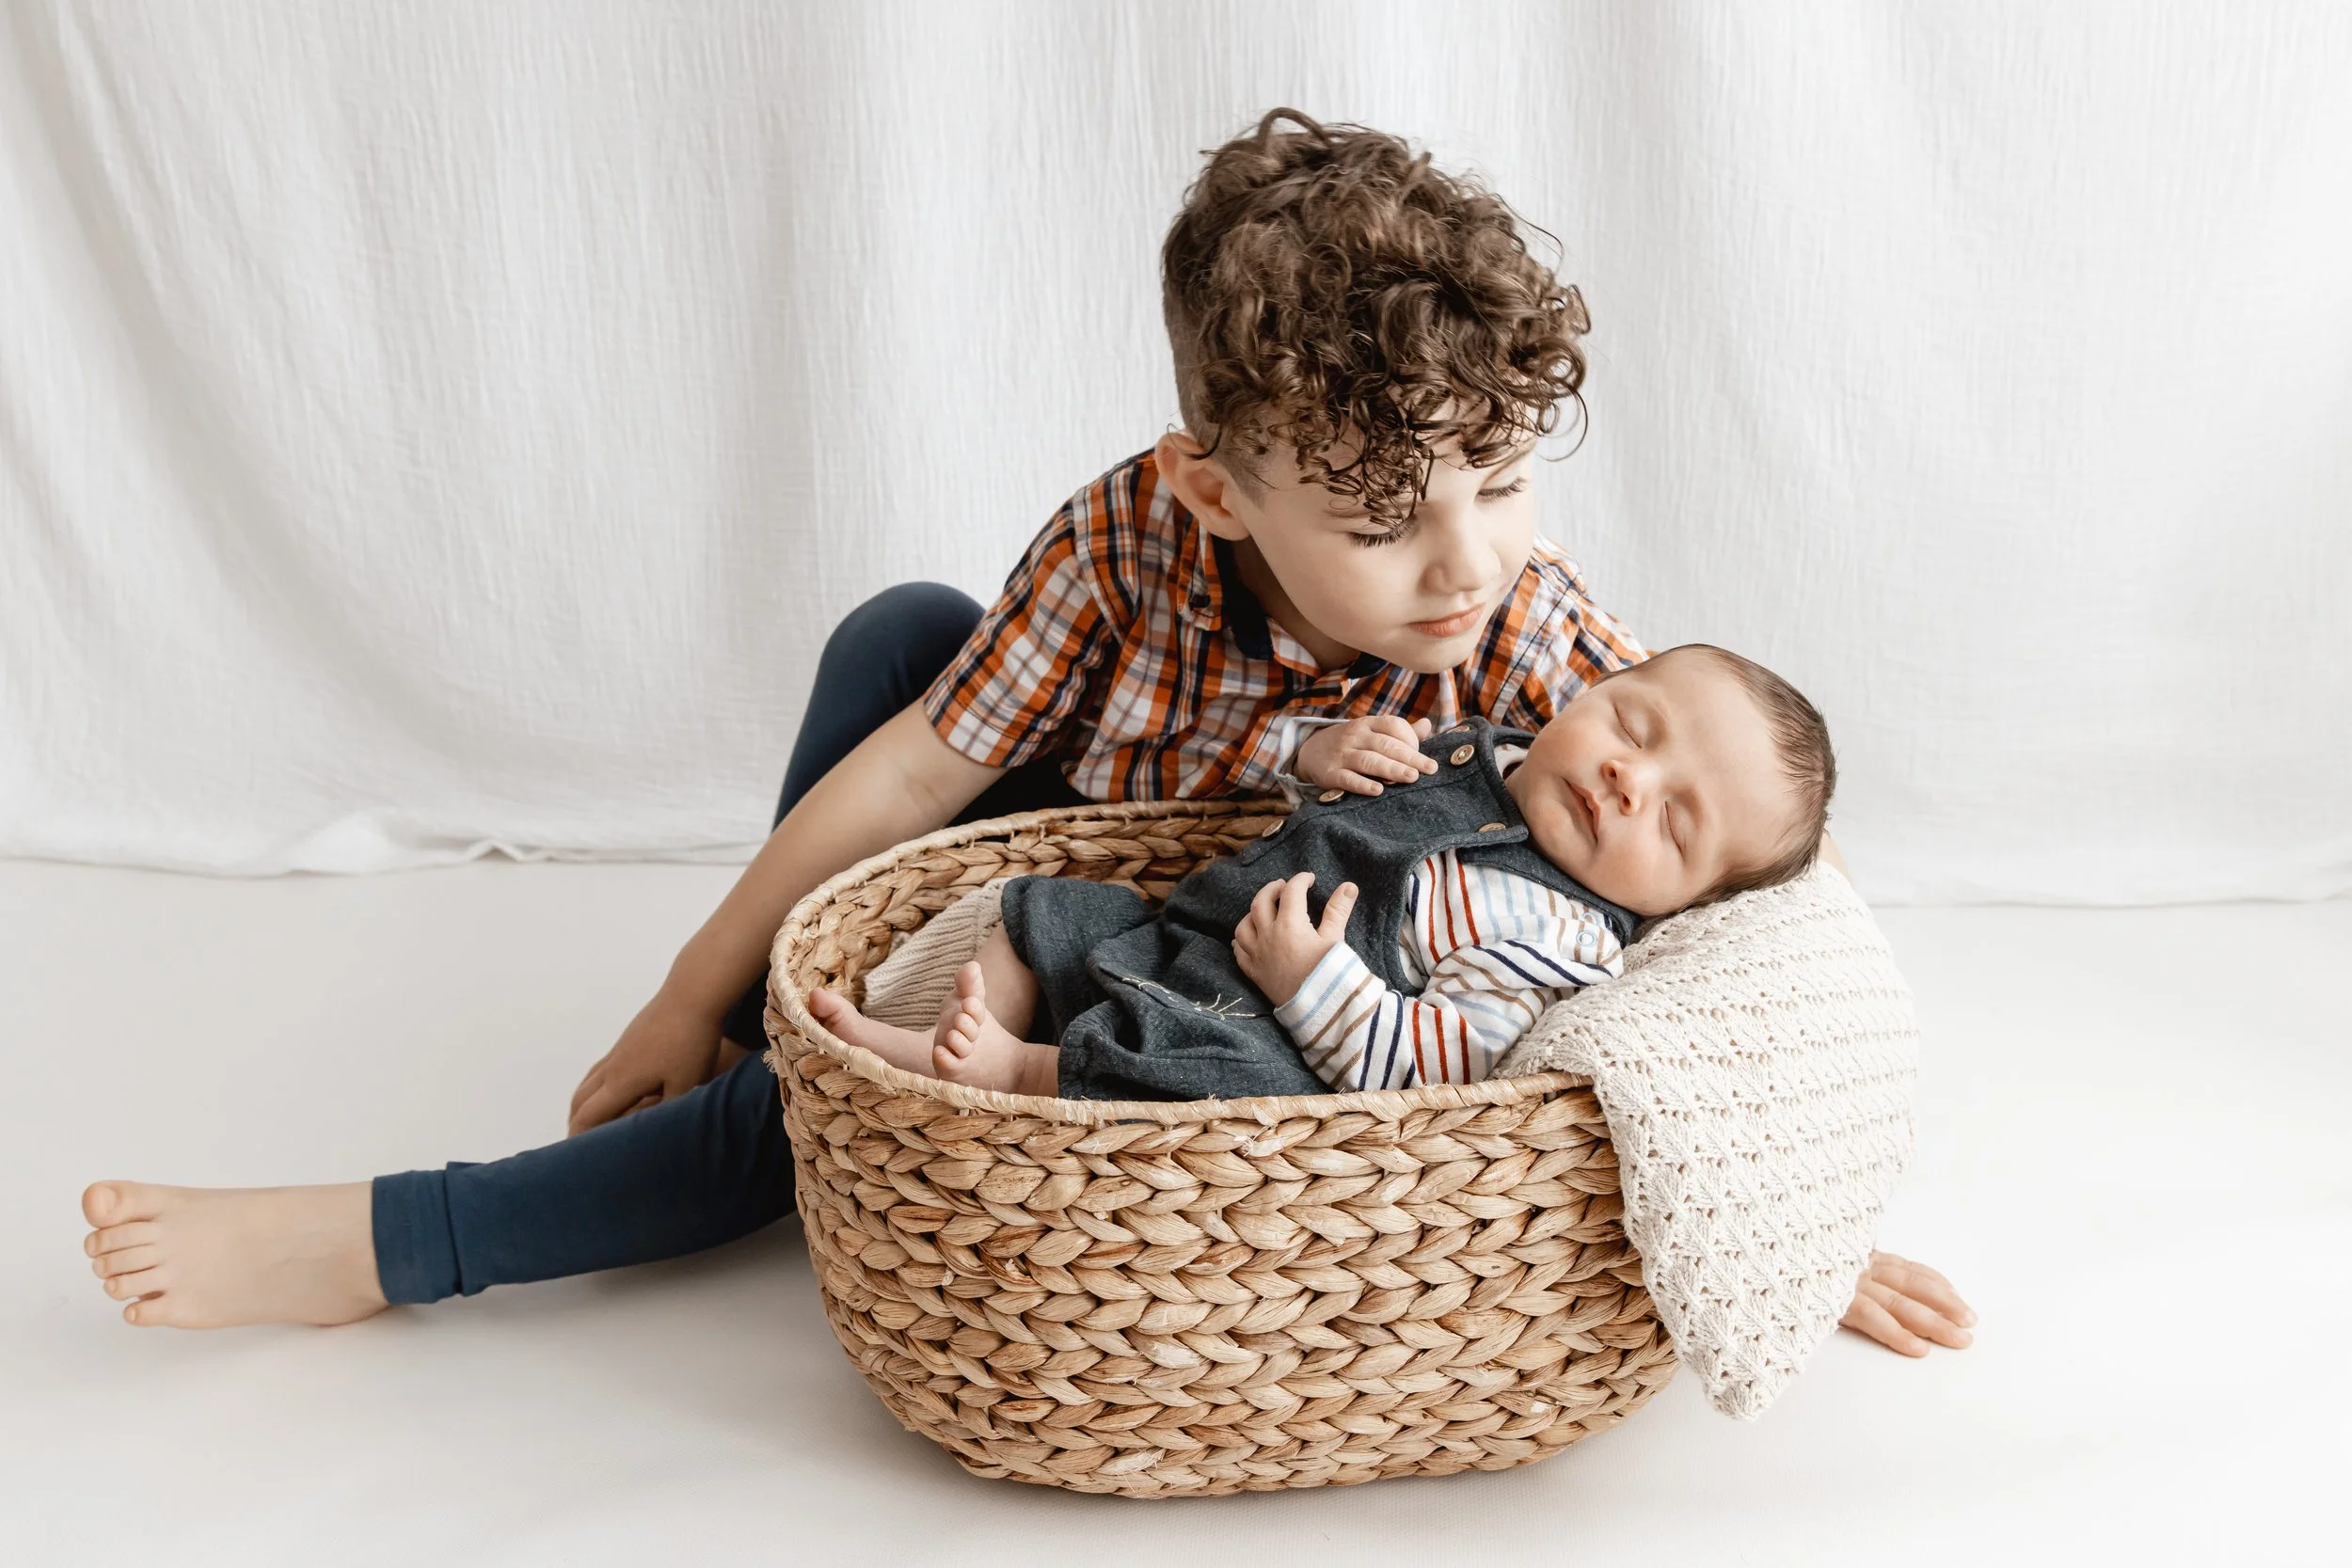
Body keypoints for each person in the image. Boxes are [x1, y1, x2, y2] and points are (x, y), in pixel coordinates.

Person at [76, 108, 1974, 1357]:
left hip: (1226, 989)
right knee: (905, 640)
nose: (1463, 561)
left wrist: (1777, 1216)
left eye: (1495, 478)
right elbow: (917, 769)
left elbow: (1732, 897)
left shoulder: (1540, 652)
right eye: (1385, 520)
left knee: (875, 1050)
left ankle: (449, 1227)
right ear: (1216, 490)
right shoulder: (1127, 534)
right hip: (1079, 869)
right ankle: (779, 1062)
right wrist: (680, 985)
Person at [812, 642, 1830, 1101]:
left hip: (1262, 1024)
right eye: (1631, 723)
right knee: (1038, 908)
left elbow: (1439, 1068)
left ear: (1682, 904)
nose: (1624, 774)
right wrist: (1321, 758)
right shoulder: (1475, 748)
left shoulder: (1556, 933)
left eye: (1673, 818)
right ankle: (930, 1031)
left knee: (1225, 1080)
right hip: (1178, 932)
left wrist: (1314, 983)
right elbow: (1317, 816)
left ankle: (1014, 1072)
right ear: (1589, 687)